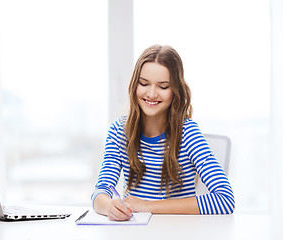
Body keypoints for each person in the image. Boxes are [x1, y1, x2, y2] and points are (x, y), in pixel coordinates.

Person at [91, 44, 235, 221]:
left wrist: (146, 206)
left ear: (176, 91)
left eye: (163, 86)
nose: (151, 94)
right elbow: (101, 191)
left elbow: (225, 199)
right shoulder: (119, 131)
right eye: (144, 83)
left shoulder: (188, 133)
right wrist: (108, 206)